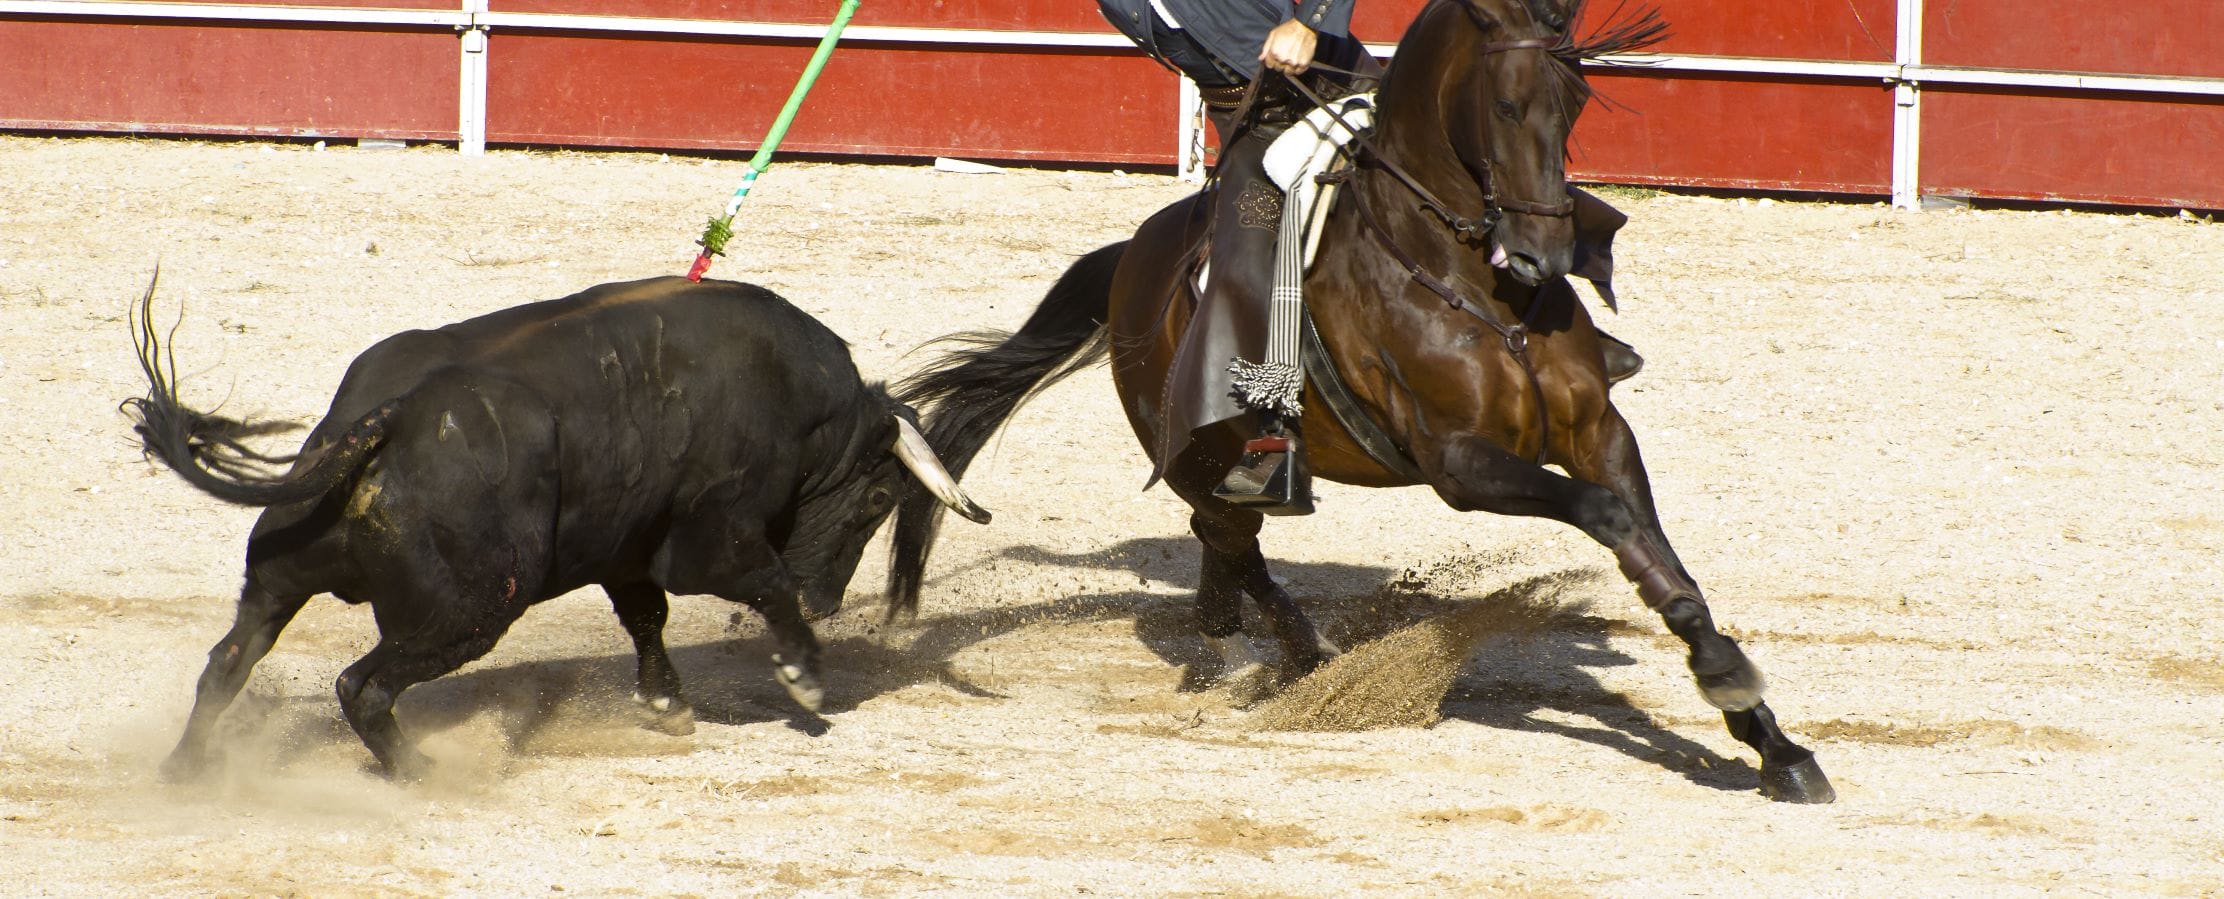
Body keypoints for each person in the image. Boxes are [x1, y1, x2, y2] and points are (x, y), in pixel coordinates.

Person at [1097, 1, 1639, 515]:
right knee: (1241, 258)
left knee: (1485, 173)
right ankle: (1270, 433)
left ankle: (1573, 333)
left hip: (1346, 88)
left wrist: (1310, 21)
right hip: (1256, 134)